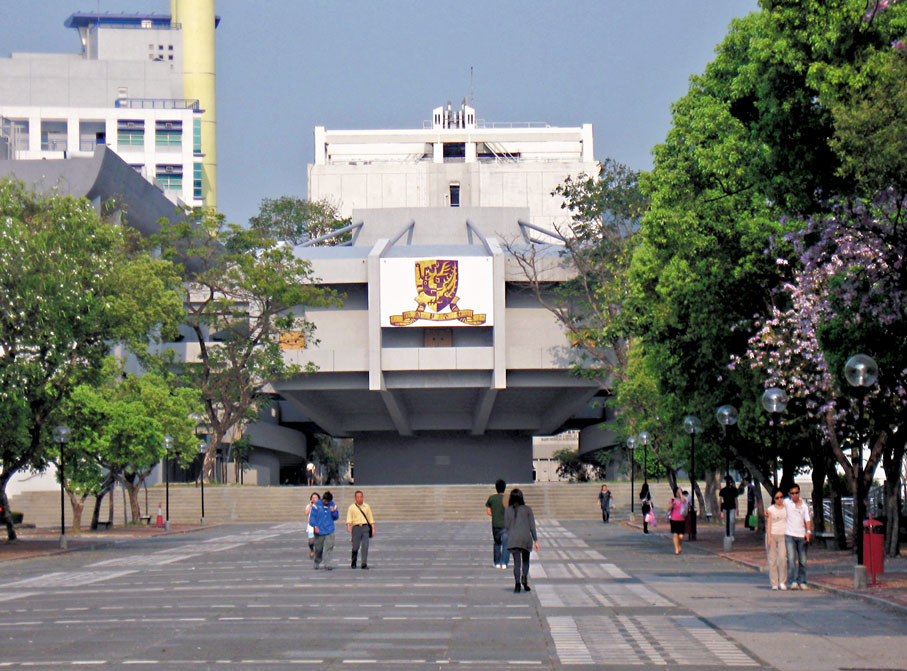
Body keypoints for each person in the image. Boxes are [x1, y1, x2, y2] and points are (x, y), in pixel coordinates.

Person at [505, 488, 538, 593]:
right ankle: (524, 578)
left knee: (516, 563)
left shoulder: (507, 510)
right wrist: (535, 540)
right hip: (525, 538)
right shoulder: (528, 509)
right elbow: (532, 526)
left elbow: (506, 526)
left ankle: (517, 584)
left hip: (513, 539)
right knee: (526, 561)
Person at [784, 484, 813, 590]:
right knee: (791, 559)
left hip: (801, 535)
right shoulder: (786, 502)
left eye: (797, 493)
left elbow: (808, 519)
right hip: (789, 535)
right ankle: (793, 581)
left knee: (803, 560)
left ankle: (803, 581)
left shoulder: (804, 505)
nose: (795, 495)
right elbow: (777, 507)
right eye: (792, 493)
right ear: (789, 494)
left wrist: (808, 531)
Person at [308, 490, 339, 570]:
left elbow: (336, 517)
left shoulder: (333, 505)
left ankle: (327, 563)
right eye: (325, 501)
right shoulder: (316, 505)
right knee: (318, 548)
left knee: (329, 547)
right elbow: (312, 517)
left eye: (328, 501)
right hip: (319, 530)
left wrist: (333, 512)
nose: (327, 503)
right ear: (323, 499)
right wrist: (315, 526)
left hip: (329, 529)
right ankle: (317, 561)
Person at [765, 488, 788, 590]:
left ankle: (782, 581)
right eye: (777, 498)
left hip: (783, 534)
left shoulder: (786, 508)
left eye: (781, 497)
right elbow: (769, 524)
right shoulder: (771, 510)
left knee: (782, 558)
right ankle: (774, 582)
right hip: (772, 534)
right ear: (774, 499)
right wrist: (769, 537)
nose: (779, 500)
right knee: (772, 559)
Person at [346, 489, 375, 569]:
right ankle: (354, 562)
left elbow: (370, 518)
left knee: (365, 546)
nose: (359, 498)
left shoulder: (367, 507)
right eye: (358, 497)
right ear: (355, 498)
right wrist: (348, 526)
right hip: (356, 528)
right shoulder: (352, 507)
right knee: (355, 546)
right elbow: (349, 518)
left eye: (361, 497)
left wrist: (373, 528)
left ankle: (364, 563)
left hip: (365, 527)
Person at [486, 478, 509, 569]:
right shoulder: (507, 499)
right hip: (506, 525)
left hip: (495, 524)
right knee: (506, 544)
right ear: (504, 488)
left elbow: (488, 511)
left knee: (497, 543)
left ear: (496, 488)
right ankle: (504, 563)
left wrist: (495, 515)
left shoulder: (492, 498)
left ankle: (496, 562)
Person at [667, 486, 687, 554]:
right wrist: (672, 505)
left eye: (680, 492)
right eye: (678, 492)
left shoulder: (683, 499)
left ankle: (680, 545)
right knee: (675, 534)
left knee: (681, 536)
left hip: (681, 519)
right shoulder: (672, 500)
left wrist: (681, 494)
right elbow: (668, 509)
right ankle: (676, 548)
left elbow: (685, 502)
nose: (679, 493)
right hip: (674, 518)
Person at [304, 492, 320, 558]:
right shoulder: (309, 506)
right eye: (313, 498)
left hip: (319, 525)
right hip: (311, 526)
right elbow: (306, 513)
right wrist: (310, 505)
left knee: (319, 541)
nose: (314, 499)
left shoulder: (320, 506)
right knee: (311, 541)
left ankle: (318, 552)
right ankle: (312, 550)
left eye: (315, 497)